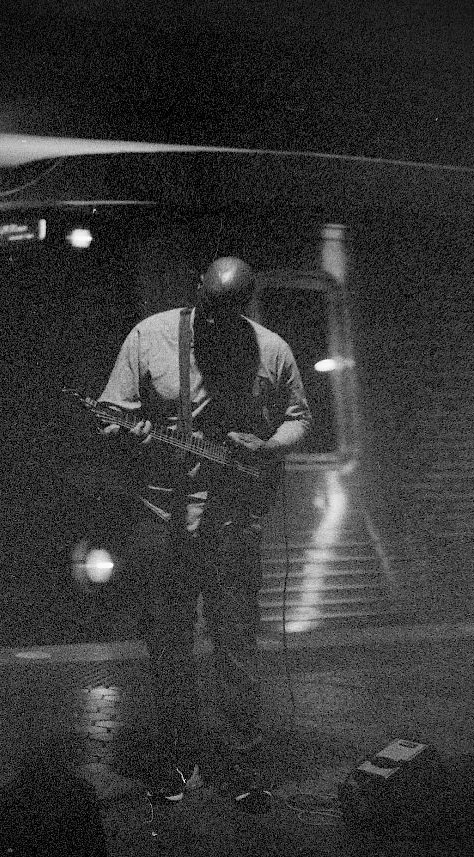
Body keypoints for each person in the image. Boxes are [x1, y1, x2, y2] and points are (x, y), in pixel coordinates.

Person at [95, 256, 311, 801]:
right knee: (168, 647)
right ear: (196, 290)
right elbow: (110, 414)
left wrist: (267, 446)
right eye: (209, 310)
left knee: (237, 647)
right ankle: (176, 761)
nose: (214, 323)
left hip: (233, 522)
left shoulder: (272, 350)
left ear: (246, 307)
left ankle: (241, 766)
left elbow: (299, 417)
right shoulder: (149, 337)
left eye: (228, 313)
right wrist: (129, 434)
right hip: (162, 516)